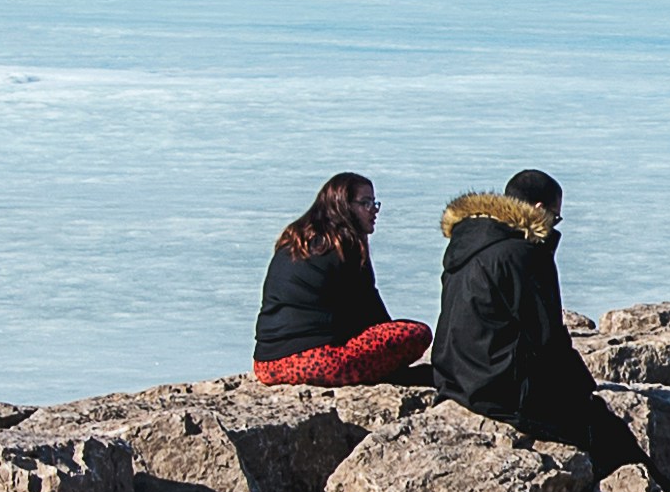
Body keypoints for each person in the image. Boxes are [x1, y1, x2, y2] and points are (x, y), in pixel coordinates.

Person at [431, 167, 645, 468]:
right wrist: (583, 391)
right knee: (604, 428)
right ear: (540, 209)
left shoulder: (468, 242)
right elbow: (548, 340)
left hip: (454, 378)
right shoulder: (523, 254)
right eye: (555, 218)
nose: (554, 225)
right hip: (498, 392)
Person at [251, 172, 430, 388]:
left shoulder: (296, 240)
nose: (374, 210)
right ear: (343, 206)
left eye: (374, 203)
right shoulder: (345, 245)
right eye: (365, 203)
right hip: (314, 362)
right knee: (416, 334)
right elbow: (369, 312)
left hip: (266, 365)